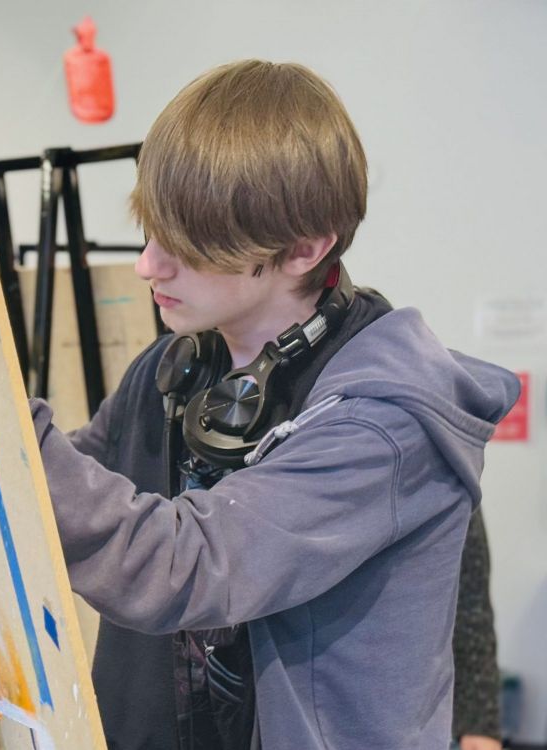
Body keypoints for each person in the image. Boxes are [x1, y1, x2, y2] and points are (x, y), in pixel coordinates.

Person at [31, 59, 520, 749]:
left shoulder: (383, 423)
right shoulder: (174, 366)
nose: (148, 264)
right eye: (150, 230)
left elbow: (189, 563)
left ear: (304, 248)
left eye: (190, 245)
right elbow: (64, 496)